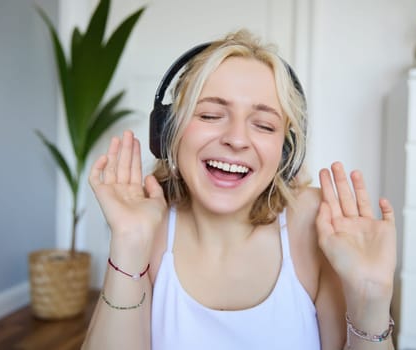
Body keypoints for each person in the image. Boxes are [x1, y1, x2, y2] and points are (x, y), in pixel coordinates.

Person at [82, 29, 396, 350]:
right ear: (169, 132)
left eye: (263, 125)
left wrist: (371, 302)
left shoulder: (316, 223)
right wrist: (129, 242)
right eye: (210, 115)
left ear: (284, 151)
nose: (237, 138)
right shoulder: (150, 227)